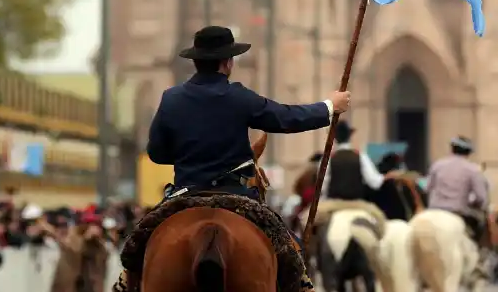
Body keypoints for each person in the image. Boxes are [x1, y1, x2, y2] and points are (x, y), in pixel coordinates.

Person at [147, 26, 350, 199]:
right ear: (227, 62)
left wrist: (191, 157)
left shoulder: (171, 98)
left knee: (142, 239)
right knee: (287, 244)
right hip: (234, 193)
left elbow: (156, 152)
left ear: (195, 61)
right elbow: (285, 117)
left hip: (186, 192)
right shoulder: (239, 96)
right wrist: (329, 106)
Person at [426, 136, 490, 252]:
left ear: (452, 149)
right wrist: (473, 204)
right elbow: (481, 198)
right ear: (469, 153)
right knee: (481, 228)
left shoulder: (437, 165)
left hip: (434, 211)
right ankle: (477, 257)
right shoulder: (473, 170)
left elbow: (428, 188)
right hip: (458, 213)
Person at [320, 120, 385, 199]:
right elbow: (374, 182)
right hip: (356, 202)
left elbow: (322, 186)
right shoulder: (360, 156)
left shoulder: (328, 158)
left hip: (333, 202)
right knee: (377, 212)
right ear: (350, 136)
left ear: (335, 137)